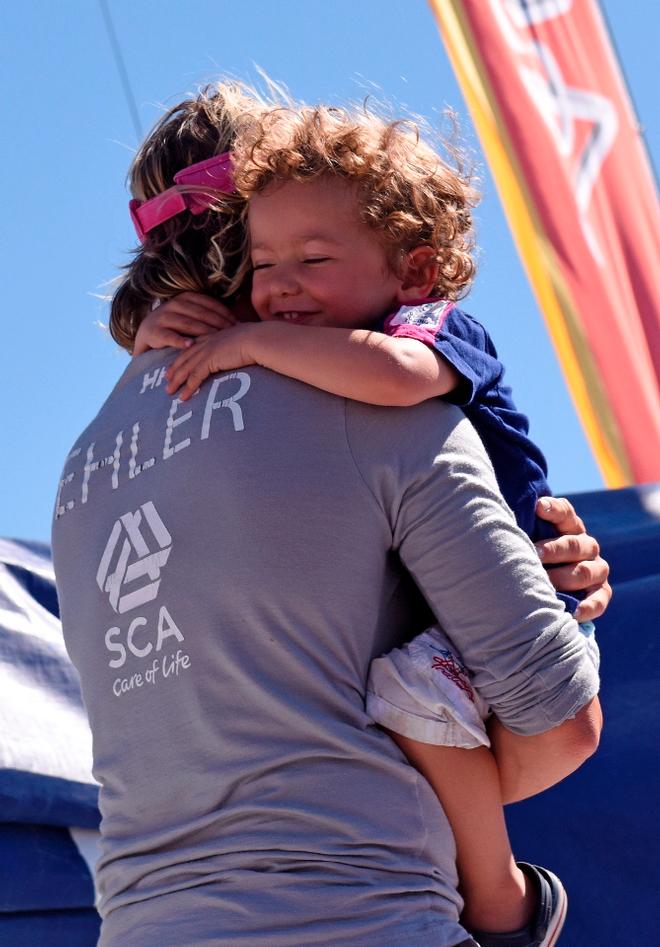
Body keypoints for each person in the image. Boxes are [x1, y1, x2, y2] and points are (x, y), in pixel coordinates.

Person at [52, 86, 606, 947]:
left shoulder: (83, 463)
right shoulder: (375, 400)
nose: (286, 285)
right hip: (365, 915)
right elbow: (560, 719)